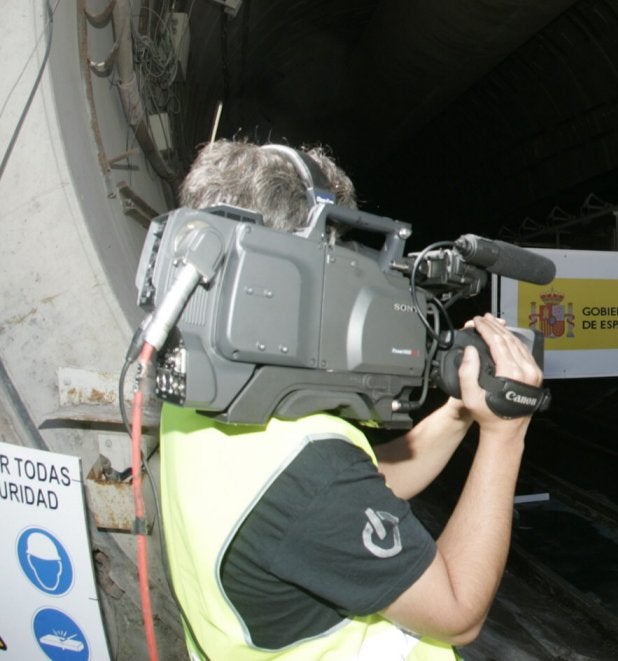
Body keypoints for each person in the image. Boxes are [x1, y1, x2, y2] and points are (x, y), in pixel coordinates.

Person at [157, 140, 542, 658]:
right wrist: (505, 434)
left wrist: (462, 412)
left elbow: (363, 483)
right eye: (337, 250)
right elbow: (457, 612)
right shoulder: (310, 478)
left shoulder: (203, 388)